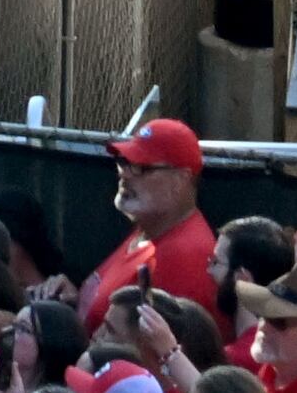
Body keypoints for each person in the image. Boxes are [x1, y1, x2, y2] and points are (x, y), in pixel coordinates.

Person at [85, 120, 215, 309]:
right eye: (124, 162)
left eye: (141, 167)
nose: (125, 175)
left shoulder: (183, 257)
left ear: (180, 180)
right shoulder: (150, 228)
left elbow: (153, 337)